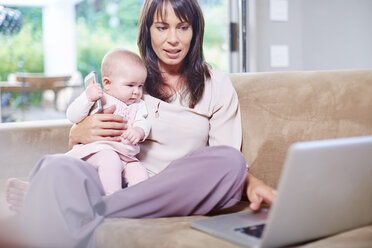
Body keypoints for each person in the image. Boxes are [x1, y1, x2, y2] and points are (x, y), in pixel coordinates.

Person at [5, 0, 277, 247]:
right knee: (56, 166)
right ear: (147, 31)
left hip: (170, 190)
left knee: (229, 162)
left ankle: (75, 205)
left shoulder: (215, 84)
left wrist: (250, 182)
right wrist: (78, 132)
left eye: (183, 27)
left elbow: (226, 158)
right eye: (162, 27)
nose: (173, 39)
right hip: (112, 177)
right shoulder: (131, 75)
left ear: (195, 32)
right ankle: (78, 200)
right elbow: (88, 137)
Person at [65, 48, 150, 195]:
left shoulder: (139, 105)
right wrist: (88, 97)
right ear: (107, 83)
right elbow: (72, 116)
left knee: (139, 172)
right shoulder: (100, 97)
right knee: (110, 158)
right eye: (130, 85)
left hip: (126, 156)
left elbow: (143, 122)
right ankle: (112, 198)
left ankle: (139, 201)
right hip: (97, 151)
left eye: (140, 86)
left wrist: (139, 131)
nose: (136, 91)